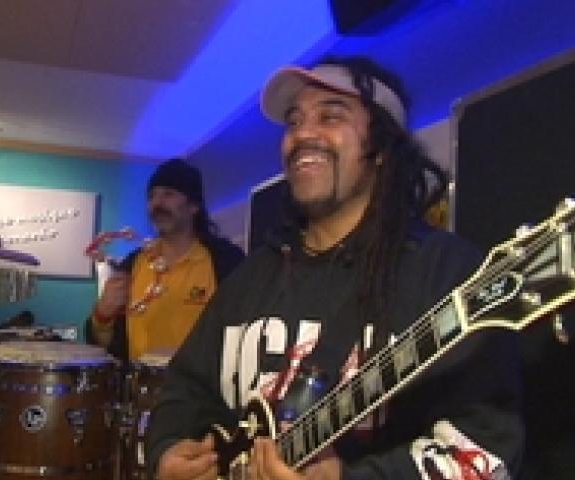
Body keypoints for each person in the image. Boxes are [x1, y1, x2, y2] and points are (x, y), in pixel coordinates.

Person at [145, 57, 524, 480]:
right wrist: (167, 448)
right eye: (294, 121)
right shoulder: (252, 277)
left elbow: (485, 448)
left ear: (381, 147)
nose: (302, 135)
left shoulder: (448, 272)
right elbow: (185, 386)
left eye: (330, 116)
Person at [87, 158, 245, 362]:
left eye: (168, 194)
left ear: (194, 205)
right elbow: (104, 348)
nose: (157, 204)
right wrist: (103, 314)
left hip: (202, 383)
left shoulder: (227, 262)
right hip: (138, 382)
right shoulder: (132, 264)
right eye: (152, 196)